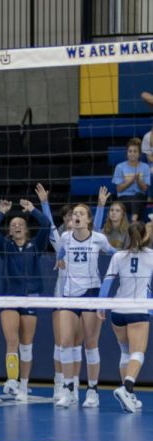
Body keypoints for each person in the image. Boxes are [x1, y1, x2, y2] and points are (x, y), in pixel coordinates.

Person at [0, 189, 51, 403]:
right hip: (9, 297)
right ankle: (13, 381)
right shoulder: (5, 246)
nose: (16, 226)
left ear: (26, 228)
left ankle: (24, 385)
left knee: (26, 344)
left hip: (31, 297)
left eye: (20, 224)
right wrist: (1, 213)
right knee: (12, 340)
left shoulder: (36, 245)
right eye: (13, 224)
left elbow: (47, 226)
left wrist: (32, 209)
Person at [54, 202, 116, 408]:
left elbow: (114, 253)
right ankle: (69, 389)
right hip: (69, 295)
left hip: (92, 293)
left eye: (81, 214)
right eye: (74, 214)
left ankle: (92, 390)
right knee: (65, 342)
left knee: (90, 344)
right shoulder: (65, 238)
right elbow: (61, 252)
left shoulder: (98, 239)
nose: (76, 216)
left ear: (89, 219)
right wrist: (59, 259)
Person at [99, 222, 151, 413]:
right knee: (138, 353)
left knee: (125, 353)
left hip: (118, 311)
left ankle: (130, 396)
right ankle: (127, 387)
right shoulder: (151, 256)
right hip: (137, 310)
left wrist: (100, 305)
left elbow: (107, 282)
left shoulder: (118, 255)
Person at [112, 137, 150, 222]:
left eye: (135, 151)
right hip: (124, 198)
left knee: (138, 196)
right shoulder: (119, 167)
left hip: (140, 197)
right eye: (130, 151)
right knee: (136, 203)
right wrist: (131, 180)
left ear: (139, 154)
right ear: (127, 153)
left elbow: (145, 189)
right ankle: (135, 221)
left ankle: (133, 221)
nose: (132, 153)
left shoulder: (145, 167)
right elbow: (119, 189)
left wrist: (138, 180)